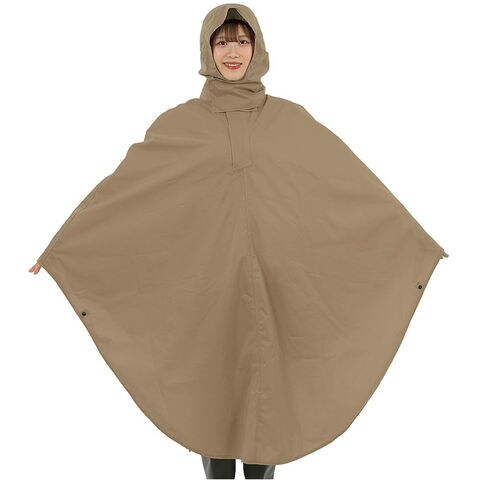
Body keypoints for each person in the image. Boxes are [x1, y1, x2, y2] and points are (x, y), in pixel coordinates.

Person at [30, 2, 448, 478]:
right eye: (222, 41)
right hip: (208, 296)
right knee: (212, 402)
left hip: (276, 296)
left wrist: (411, 242)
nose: (233, 52)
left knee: (270, 401)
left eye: (243, 41)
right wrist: (66, 247)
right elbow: (126, 192)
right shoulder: (179, 125)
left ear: (258, 48)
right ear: (207, 49)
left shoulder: (291, 121)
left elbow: (350, 187)